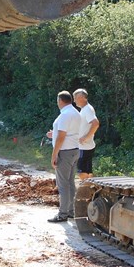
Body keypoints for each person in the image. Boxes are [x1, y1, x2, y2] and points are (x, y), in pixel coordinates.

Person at [46, 91, 81, 222]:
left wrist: (54, 155)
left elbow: (61, 137)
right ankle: (72, 211)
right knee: (70, 183)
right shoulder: (75, 113)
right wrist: (53, 134)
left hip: (65, 152)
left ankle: (63, 214)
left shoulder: (65, 115)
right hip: (74, 150)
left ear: (60, 101)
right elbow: (67, 133)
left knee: (63, 185)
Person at [73, 88, 100, 180]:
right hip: (86, 146)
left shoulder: (87, 109)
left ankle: (86, 190)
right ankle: (91, 190)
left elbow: (95, 123)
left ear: (81, 97)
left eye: (75, 98)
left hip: (85, 146)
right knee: (88, 171)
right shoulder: (85, 109)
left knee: (82, 171)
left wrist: (86, 137)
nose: (74, 100)